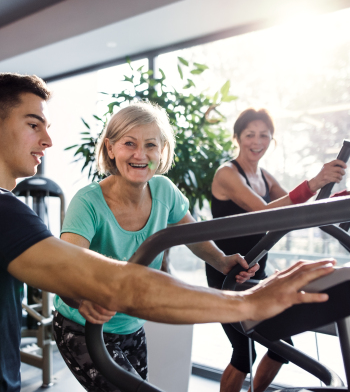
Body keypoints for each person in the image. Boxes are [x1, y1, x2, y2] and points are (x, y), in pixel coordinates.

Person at [0, 74, 336, 392]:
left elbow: (185, 237)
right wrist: (247, 302)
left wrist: (224, 262)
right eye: (34, 124)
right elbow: (117, 283)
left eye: (151, 145)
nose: (48, 139)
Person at [53, 102, 254, 391]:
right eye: (129, 144)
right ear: (110, 148)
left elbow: (192, 235)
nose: (140, 154)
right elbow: (62, 270)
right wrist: (83, 300)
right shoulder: (87, 203)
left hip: (130, 324)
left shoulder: (163, 191)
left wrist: (222, 261)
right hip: (83, 326)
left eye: (150, 145)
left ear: (162, 151)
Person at [209, 108, 350, 392]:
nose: (257, 141)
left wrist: (349, 196)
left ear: (272, 140)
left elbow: (297, 208)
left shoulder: (265, 176)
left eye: (265, 135)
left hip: (255, 271)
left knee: (280, 344)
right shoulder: (227, 173)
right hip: (227, 273)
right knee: (244, 352)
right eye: (250, 134)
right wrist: (315, 181)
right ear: (236, 137)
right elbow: (263, 214)